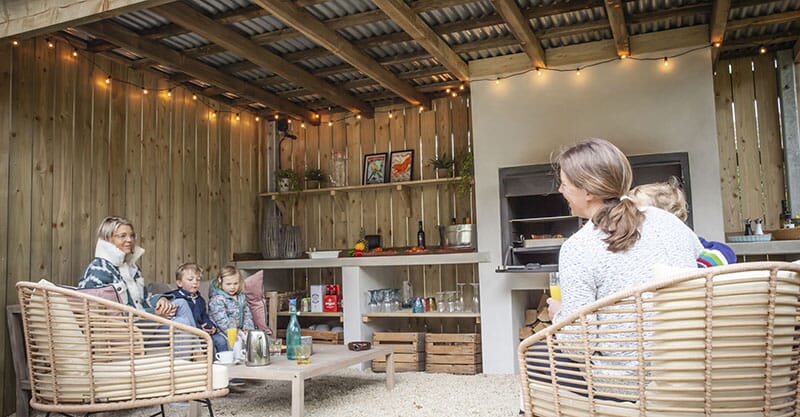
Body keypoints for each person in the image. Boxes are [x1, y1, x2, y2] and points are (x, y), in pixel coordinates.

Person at [533, 139, 702, 398]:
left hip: (627, 385)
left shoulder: (578, 246)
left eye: (564, 183)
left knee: (536, 355)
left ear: (588, 192)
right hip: (689, 371)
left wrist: (559, 316)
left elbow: (578, 347)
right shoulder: (672, 223)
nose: (560, 189)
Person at [77, 216, 197, 350]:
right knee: (182, 324)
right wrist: (154, 314)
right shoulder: (99, 270)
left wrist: (160, 299)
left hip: (143, 324)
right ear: (108, 239)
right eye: (122, 236)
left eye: (132, 235)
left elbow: (142, 299)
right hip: (126, 335)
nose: (129, 240)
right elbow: (108, 316)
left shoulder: (131, 268)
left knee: (181, 303)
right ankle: (192, 363)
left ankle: (199, 354)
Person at [629, 178, 736, 268]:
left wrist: (696, 269)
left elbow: (726, 252)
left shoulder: (686, 240)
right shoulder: (636, 242)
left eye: (637, 212)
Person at [166, 263, 229, 354]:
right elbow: (179, 319)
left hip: (203, 332)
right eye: (190, 279)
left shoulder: (200, 299)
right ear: (179, 283)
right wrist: (199, 328)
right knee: (205, 342)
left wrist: (211, 326)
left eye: (198, 280)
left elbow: (204, 316)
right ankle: (205, 365)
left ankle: (223, 363)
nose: (195, 282)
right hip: (188, 333)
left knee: (220, 340)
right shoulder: (174, 297)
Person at [208, 265, 255, 338]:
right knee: (224, 342)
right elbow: (221, 320)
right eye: (228, 284)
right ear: (220, 282)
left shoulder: (241, 297)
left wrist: (247, 328)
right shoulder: (217, 300)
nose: (232, 287)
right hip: (222, 332)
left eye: (235, 283)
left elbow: (247, 314)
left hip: (238, 330)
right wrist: (232, 332)